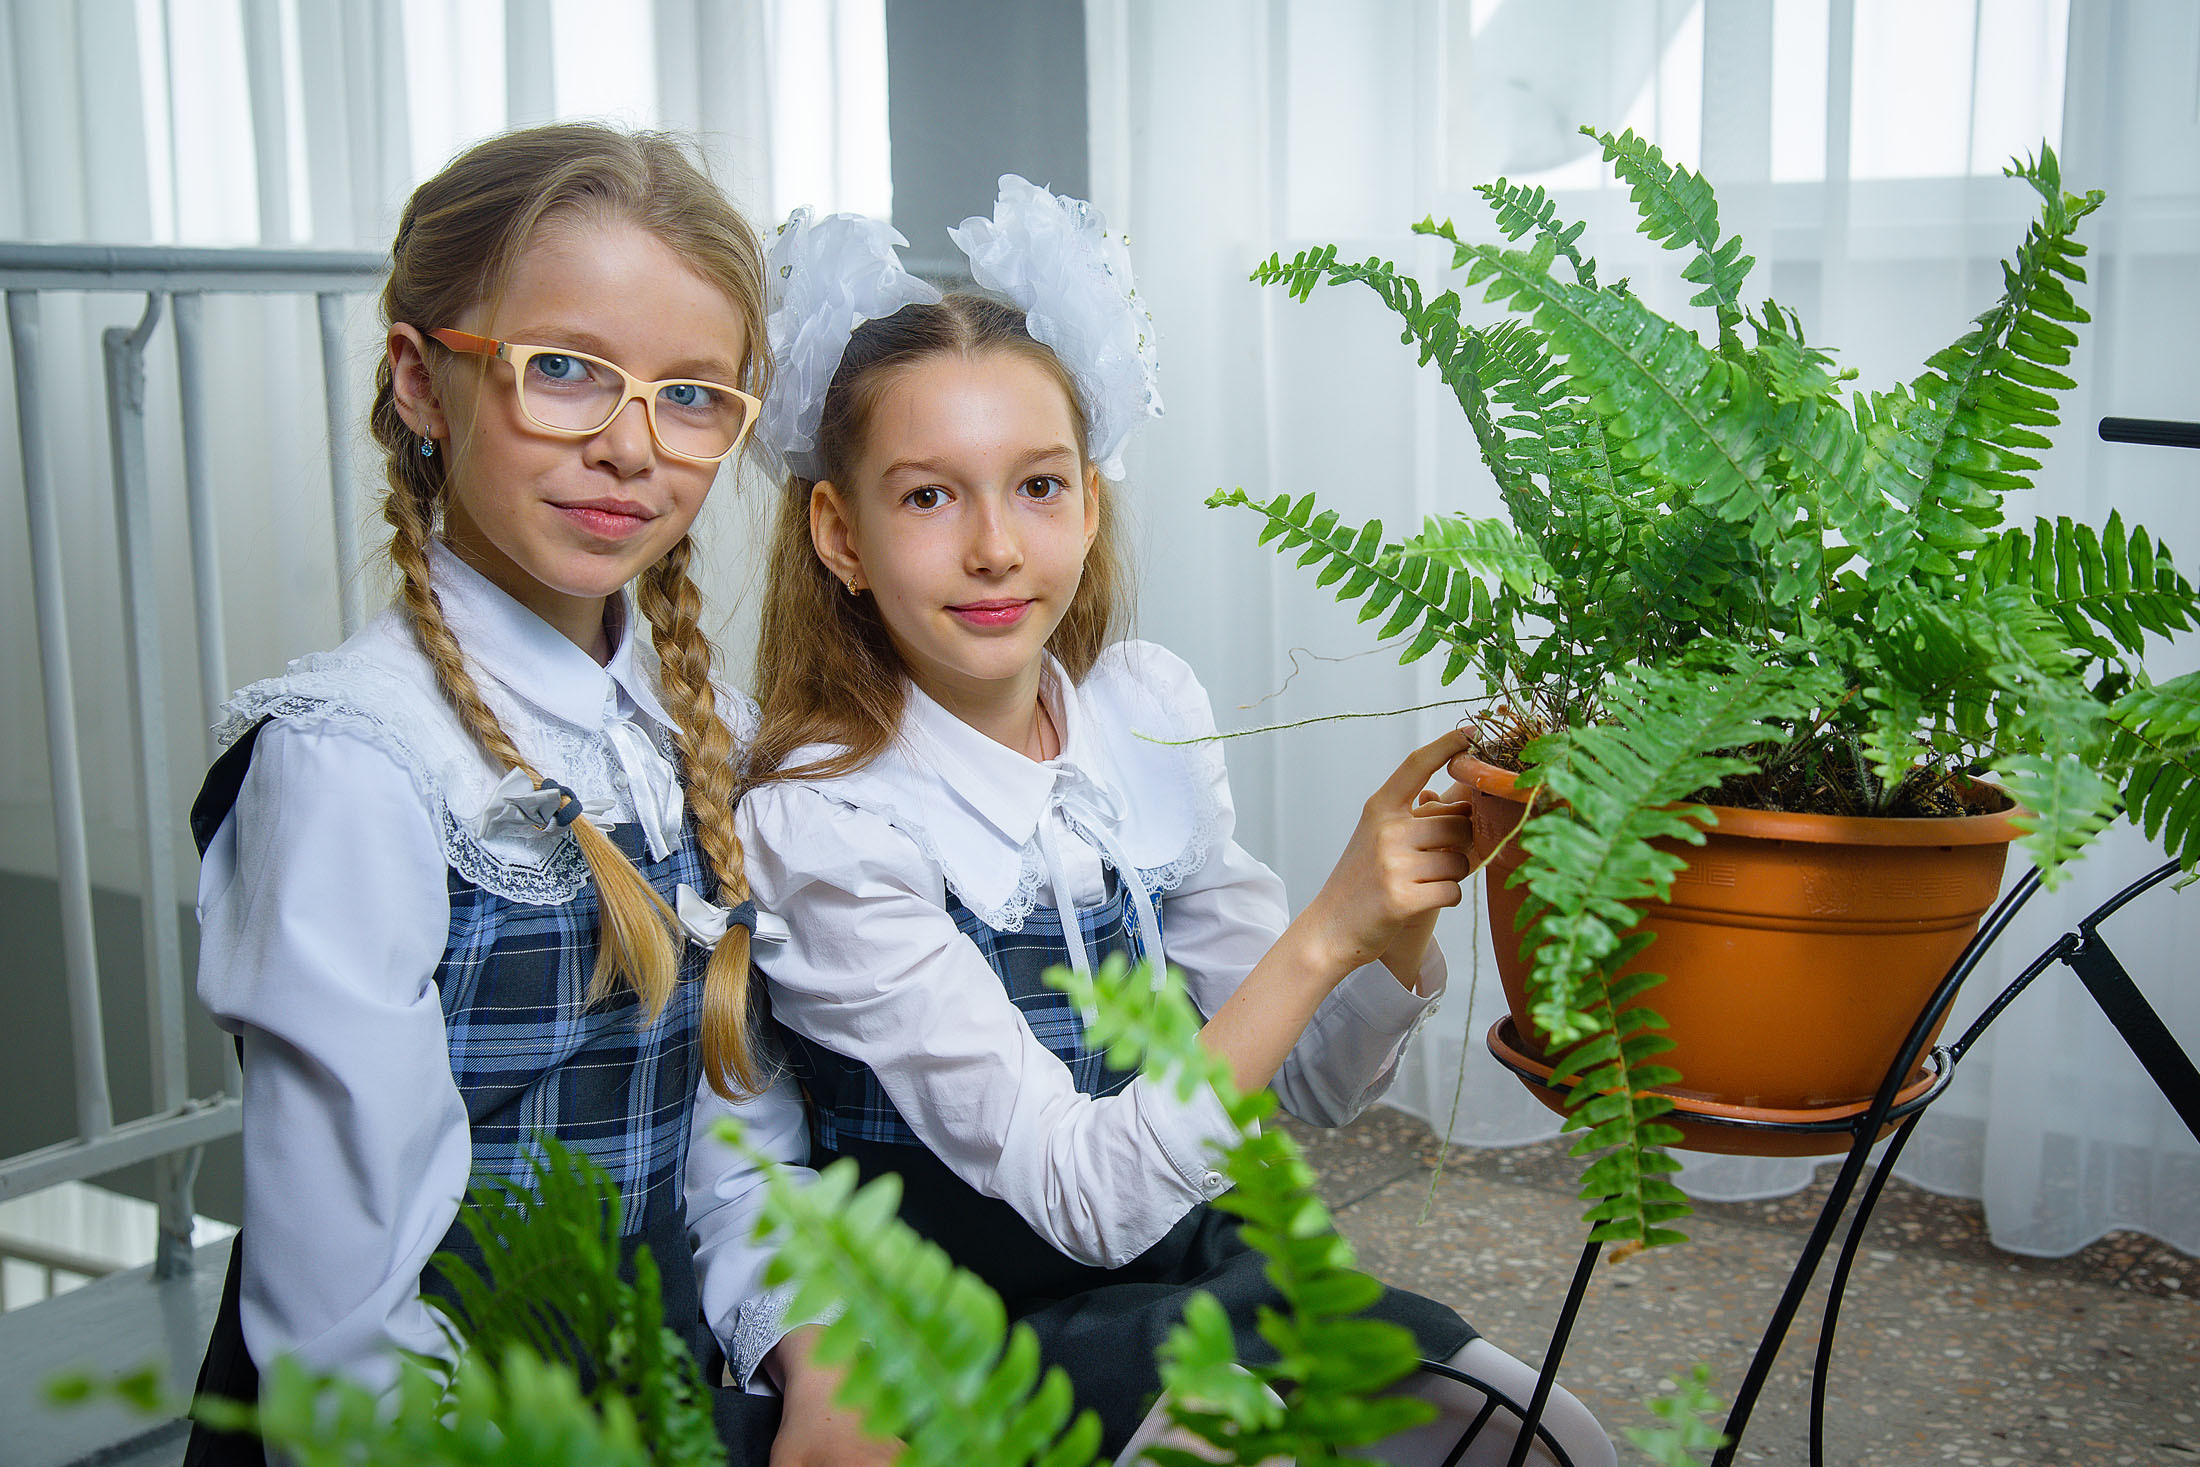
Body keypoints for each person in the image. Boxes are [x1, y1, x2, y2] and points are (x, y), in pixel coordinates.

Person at [738, 180, 1616, 1467]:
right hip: (959, 1317)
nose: (995, 548)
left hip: (1190, 1256)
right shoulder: (828, 819)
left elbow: (1313, 1080)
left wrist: (1395, 917)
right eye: (929, 497)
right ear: (840, 532)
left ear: (1090, 509)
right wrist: (1322, 933)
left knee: (1541, 1437)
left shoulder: (1140, 711)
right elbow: (1083, 1197)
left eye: (1038, 486)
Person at [183, 124, 886, 1467]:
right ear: (420, 380)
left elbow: (739, 1136)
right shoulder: (356, 763)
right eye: (564, 370)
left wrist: (824, 1360)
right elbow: (344, 1324)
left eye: (691, 394)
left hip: (662, 1382)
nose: (634, 447)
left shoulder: (705, 738)